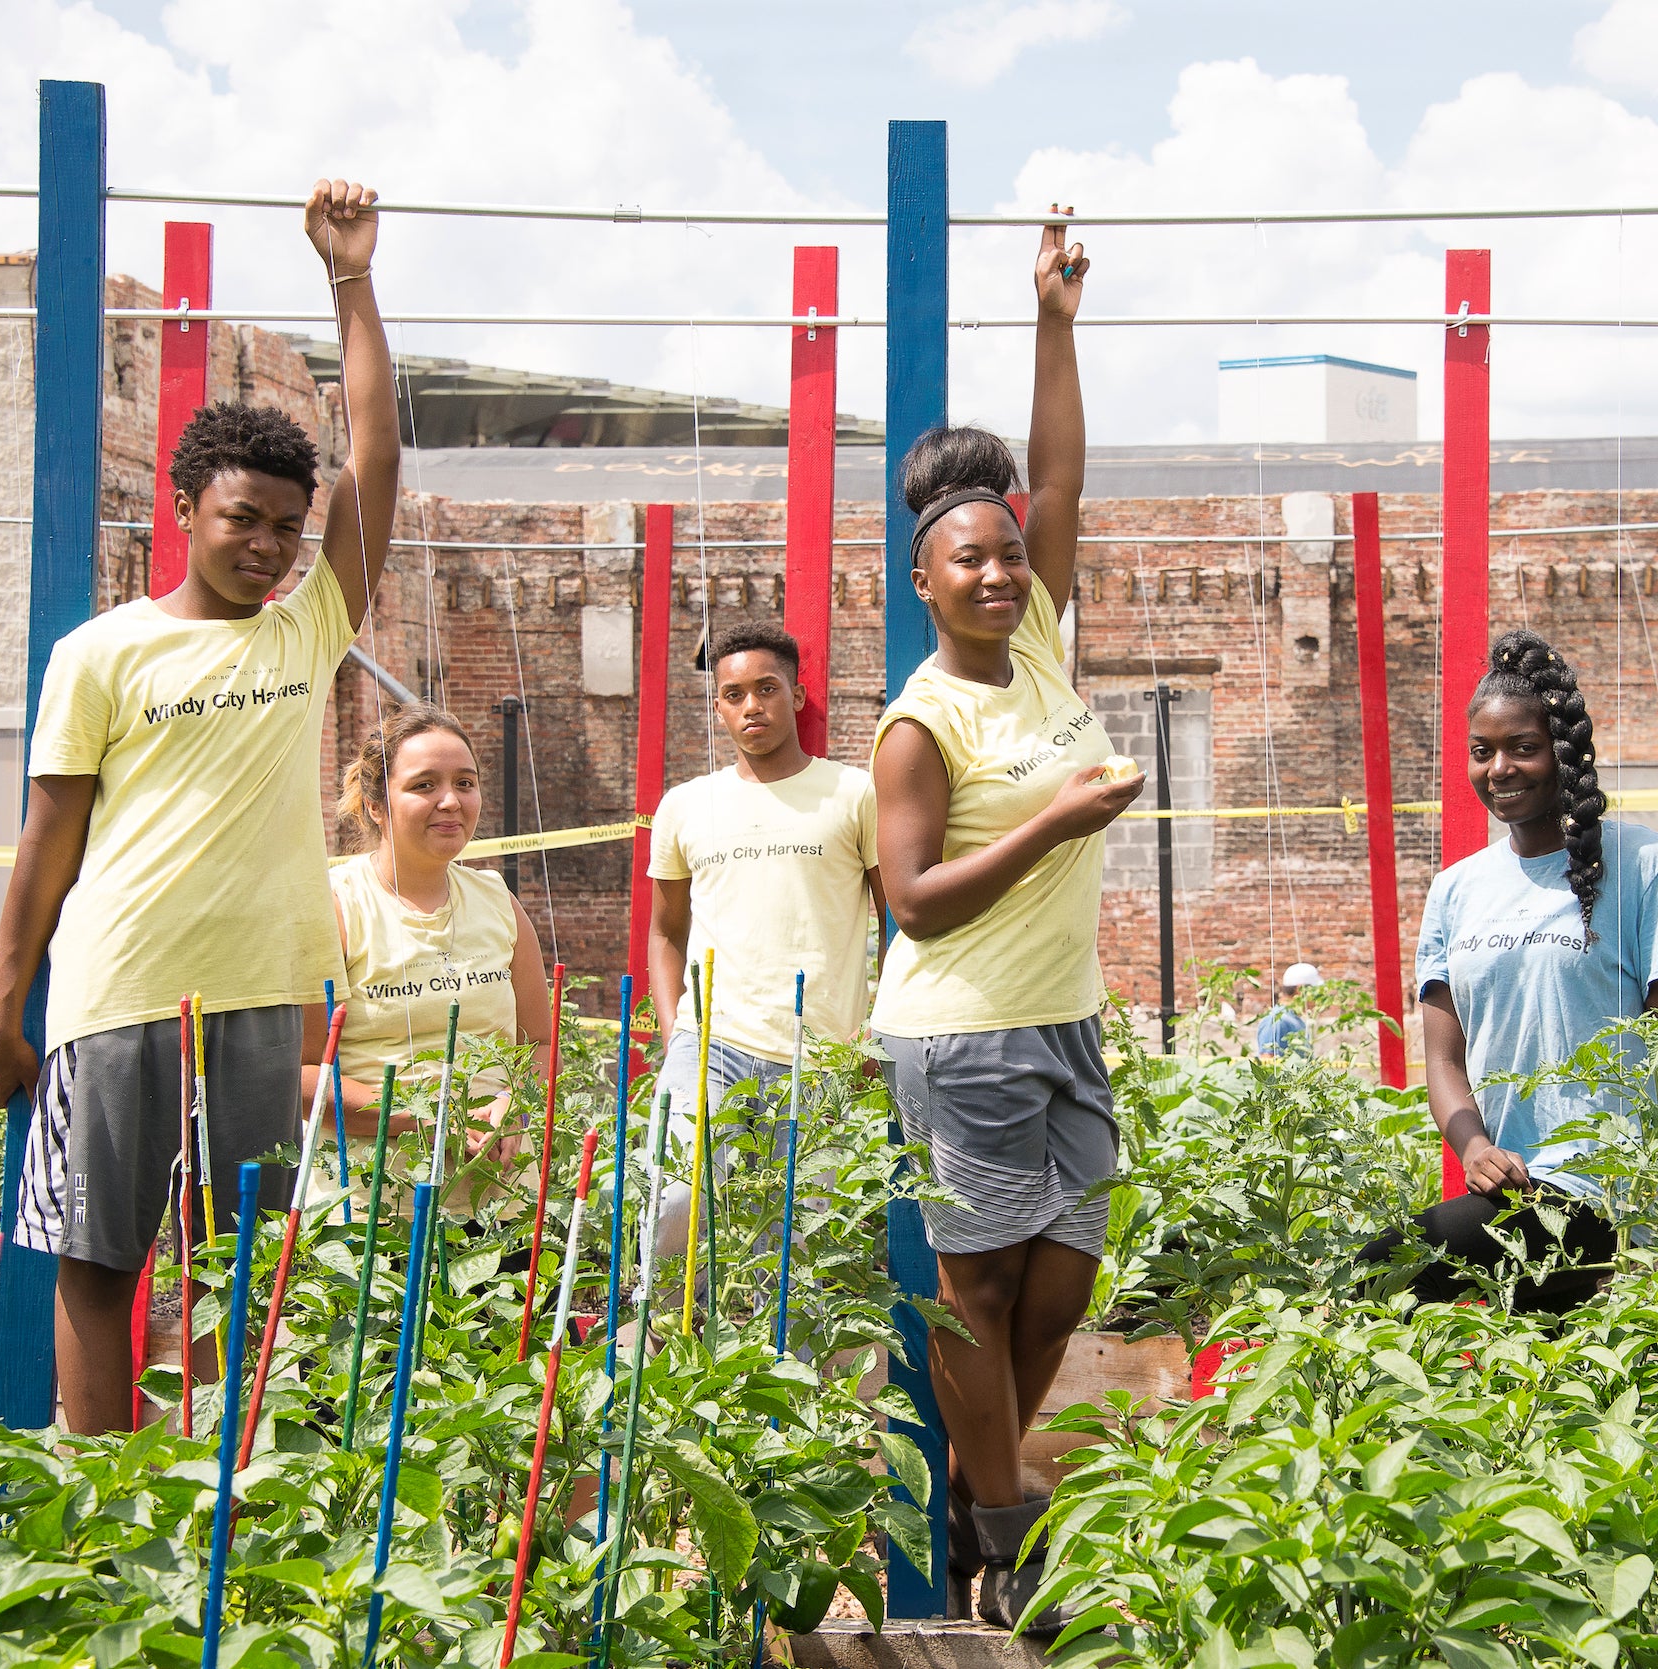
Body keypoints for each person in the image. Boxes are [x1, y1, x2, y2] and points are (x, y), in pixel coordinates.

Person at [0, 180, 398, 1436]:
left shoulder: (307, 630)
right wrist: (7, 1002)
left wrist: (351, 278)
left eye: (285, 527)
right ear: (185, 512)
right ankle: (105, 1506)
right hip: (114, 992)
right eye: (240, 520)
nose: (267, 546)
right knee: (102, 1265)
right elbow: (48, 837)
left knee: (239, 1265)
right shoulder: (101, 655)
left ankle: (225, 1507)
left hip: (264, 993)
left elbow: (376, 453)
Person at [869, 213, 1144, 1633]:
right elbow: (908, 905)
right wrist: (1056, 821)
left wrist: (1054, 319)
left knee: (1062, 1284)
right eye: (965, 560)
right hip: (959, 1029)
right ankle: (1007, 1523)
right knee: (979, 1294)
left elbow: (1060, 474)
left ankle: (976, 1491)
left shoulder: (1039, 637)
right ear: (924, 578)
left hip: (1064, 1017)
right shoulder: (919, 723)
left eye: (1007, 556)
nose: (994, 572)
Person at [1359, 628, 1658, 1313]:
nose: (1499, 767)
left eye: (1521, 748)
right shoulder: (1455, 888)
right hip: (1510, 1191)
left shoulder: (1644, 864)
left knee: (1379, 1268)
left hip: (1607, 1192)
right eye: (1482, 752)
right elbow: (1443, 1062)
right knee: (1542, 1391)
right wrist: (1473, 1145)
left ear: (1562, 752)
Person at [645, 618, 882, 1252]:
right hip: (710, 1046)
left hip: (820, 1053)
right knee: (675, 1206)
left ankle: (806, 1358)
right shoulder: (686, 805)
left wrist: (873, 1036)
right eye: (734, 694)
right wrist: (676, 1036)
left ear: (797, 697)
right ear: (718, 707)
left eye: (768, 688)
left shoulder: (854, 794)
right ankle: (665, 1348)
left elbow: (898, 924)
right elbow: (666, 934)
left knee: (808, 1243)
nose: (753, 706)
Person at [316, 703, 551, 1160]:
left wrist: (513, 1107)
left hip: (501, 1202)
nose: (450, 801)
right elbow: (303, 1072)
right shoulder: (338, 908)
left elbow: (539, 1043)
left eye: (464, 783)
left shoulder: (498, 902)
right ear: (376, 807)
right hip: (377, 1206)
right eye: (424, 785)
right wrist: (427, 1121)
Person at [1253, 961, 1324, 1056]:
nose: (1320, 996)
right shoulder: (1278, 1020)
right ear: (1300, 990)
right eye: (1316, 991)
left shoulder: (1294, 1019)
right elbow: (1267, 1061)